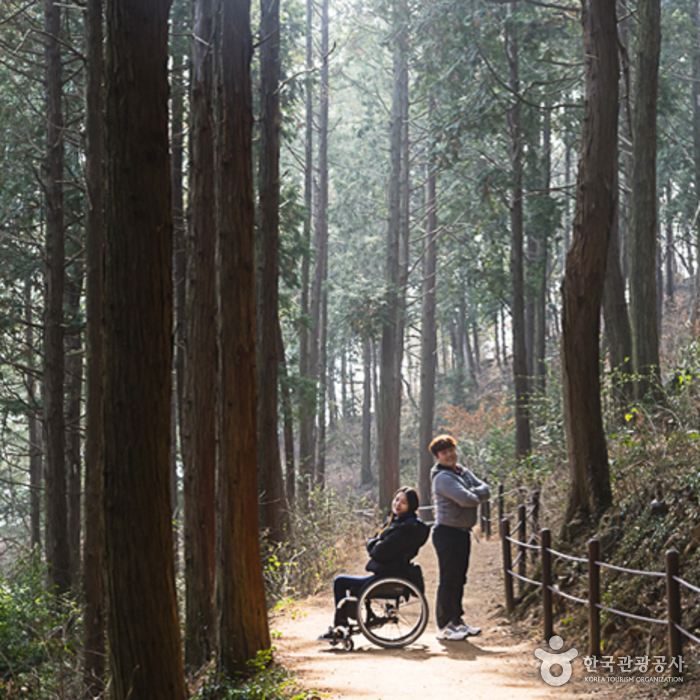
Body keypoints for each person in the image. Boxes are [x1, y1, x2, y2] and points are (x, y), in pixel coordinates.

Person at [318, 486, 430, 641]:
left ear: (411, 506)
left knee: (340, 582)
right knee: (347, 583)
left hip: (388, 576)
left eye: (403, 502)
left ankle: (340, 626)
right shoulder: (403, 524)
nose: (397, 504)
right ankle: (348, 618)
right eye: (396, 499)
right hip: (393, 573)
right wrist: (376, 542)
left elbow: (379, 551)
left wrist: (372, 542)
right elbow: (379, 546)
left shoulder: (405, 529)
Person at [429, 434, 490, 641]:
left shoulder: (461, 471)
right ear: (437, 457)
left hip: (462, 533)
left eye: (451, 450)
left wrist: (470, 494)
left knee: (459, 579)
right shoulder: (443, 478)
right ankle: (443, 626)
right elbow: (467, 500)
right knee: (448, 579)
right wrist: (470, 496)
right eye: (444, 453)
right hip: (447, 533)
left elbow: (485, 490)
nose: (449, 455)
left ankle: (457, 621)